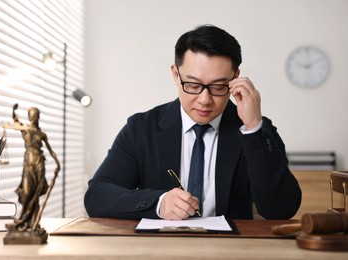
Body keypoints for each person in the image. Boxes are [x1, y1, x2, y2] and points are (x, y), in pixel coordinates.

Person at [84, 25, 301, 220]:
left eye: (218, 87)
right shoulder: (142, 128)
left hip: (232, 249)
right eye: (193, 85)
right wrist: (158, 203)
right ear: (175, 75)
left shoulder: (254, 130)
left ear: (235, 78)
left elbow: (281, 209)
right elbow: (97, 196)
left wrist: (253, 127)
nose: (205, 100)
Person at [4, 104, 60, 231]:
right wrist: (13, 111)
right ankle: (23, 219)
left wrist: (58, 164)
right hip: (28, 164)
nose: (33, 117)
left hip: (39, 163)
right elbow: (16, 121)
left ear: (38, 117)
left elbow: (51, 151)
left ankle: (33, 222)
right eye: (31, 115)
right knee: (27, 192)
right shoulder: (25, 129)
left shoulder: (41, 134)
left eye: (35, 115)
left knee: (35, 194)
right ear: (29, 116)